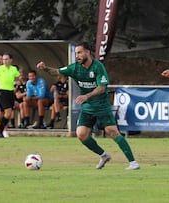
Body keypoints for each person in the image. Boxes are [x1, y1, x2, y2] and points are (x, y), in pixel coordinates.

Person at [36, 42, 140, 170]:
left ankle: (133, 163)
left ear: (87, 52)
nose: (77, 56)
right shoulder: (74, 68)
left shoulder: (98, 67)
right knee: (81, 134)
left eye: (80, 52)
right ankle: (104, 155)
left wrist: (87, 96)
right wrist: (45, 68)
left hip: (101, 106)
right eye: (76, 53)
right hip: (87, 107)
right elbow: (57, 72)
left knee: (112, 132)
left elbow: (102, 87)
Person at [0, 53, 20, 137]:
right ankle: (0, 129)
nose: (5, 61)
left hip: (11, 92)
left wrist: (16, 86)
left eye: (6, 59)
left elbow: (18, 78)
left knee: (9, 113)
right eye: (3, 59)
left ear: (11, 60)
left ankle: (0, 129)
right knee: (7, 112)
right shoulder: (0, 69)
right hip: (3, 92)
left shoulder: (14, 69)